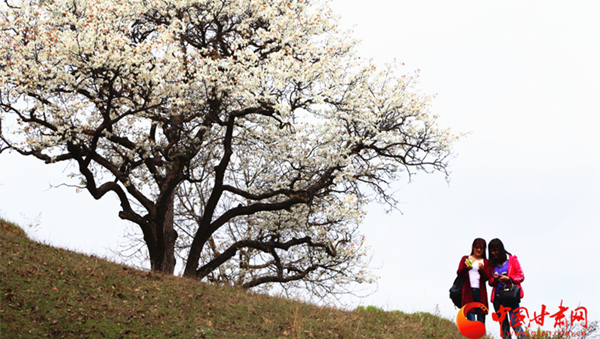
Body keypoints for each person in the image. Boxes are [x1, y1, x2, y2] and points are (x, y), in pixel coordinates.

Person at [488, 238, 525, 339]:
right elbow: (490, 282)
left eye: (495, 250)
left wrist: (509, 278)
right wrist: (495, 279)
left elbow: (521, 276)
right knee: (504, 326)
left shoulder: (512, 260)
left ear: (500, 249)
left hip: (511, 296)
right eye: (491, 251)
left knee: (515, 323)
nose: (493, 253)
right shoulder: (491, 264)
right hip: (498, 298)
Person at [456, 238, 491, 324]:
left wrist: (481, 270)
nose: (479, 250)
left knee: (481, 317)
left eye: (481, 248)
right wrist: (466, 269)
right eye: (477, 247)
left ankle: (481, 335)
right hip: (467, 291)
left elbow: (487, 277)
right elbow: (459, 272)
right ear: (473, 247)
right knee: (469, 315)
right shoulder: (466, 258)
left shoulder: (486, 262)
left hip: (480, 292)